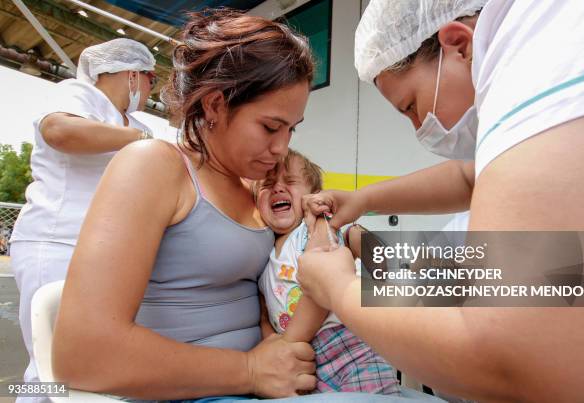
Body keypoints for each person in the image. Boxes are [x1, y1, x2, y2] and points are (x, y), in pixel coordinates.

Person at [51, 10, 440, 403]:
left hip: (281, 380)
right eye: (271, 127)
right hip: (203, 390)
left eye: (292, 129)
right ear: (216, 105)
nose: (282, 148)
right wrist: (250, 371)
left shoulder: (254, 186)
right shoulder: (153, 165)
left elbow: (311, 259)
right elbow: (82, 354)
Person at [298, 0, 584, 401]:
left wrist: (339, 290)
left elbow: (522, 362)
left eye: (411, 106)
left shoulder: (544, 52)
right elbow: (470, 178)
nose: (418, 128)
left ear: (458, 44)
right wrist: (362, 201)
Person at [9, 37, 156, 401]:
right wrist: (137, 138)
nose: (154, 87)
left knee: (86, 363)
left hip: (100, 254)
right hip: (55, 239)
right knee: (50, 364)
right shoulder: (78, 93)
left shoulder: (133, 121)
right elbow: (60, 131)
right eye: (152, 77)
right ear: (132, 74)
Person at [255, 149, 401, 395]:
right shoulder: (261, 256)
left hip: (349, 343)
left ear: (313, 197)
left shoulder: (312, 227)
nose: (278, 188)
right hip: (304, 360)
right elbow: (263, 314)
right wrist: (272, 346)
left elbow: (322, 284)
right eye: (268, 184)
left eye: (290, 181)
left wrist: (286, 343)